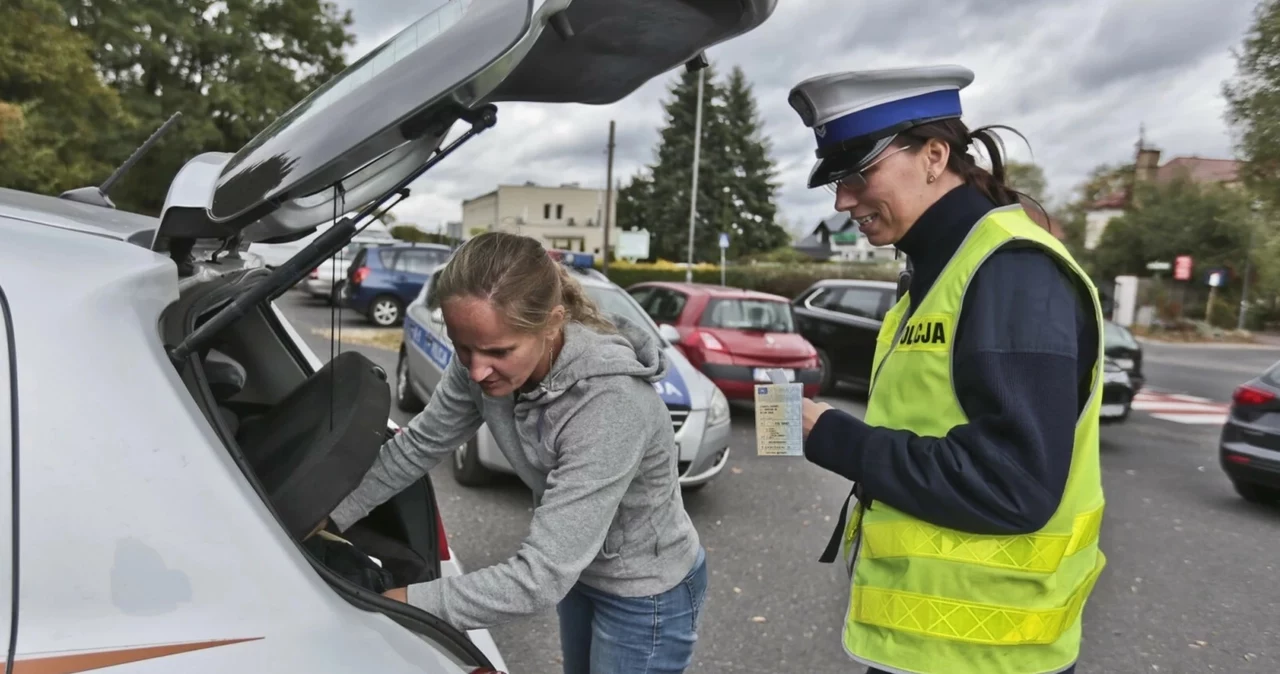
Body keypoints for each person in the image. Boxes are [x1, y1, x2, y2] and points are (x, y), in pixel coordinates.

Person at [785, 65, 1107, 674]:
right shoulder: (938, 270)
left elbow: (1014, 486)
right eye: (835, 179)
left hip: (988, 655)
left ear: (935, 155)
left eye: (859, 173)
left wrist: (832, 436)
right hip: (943, 648)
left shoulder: (1012, 272)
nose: (841, 199)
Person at [324, 231, 708, 674]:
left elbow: (539, 578)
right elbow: (418, 445)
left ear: (552, 324)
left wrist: (400, 602)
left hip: (647, 593)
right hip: (579, 571)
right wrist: (327, 518)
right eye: (462, 346)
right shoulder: (479, 360)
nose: (476, 369)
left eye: (498, 351)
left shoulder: (610, 405)